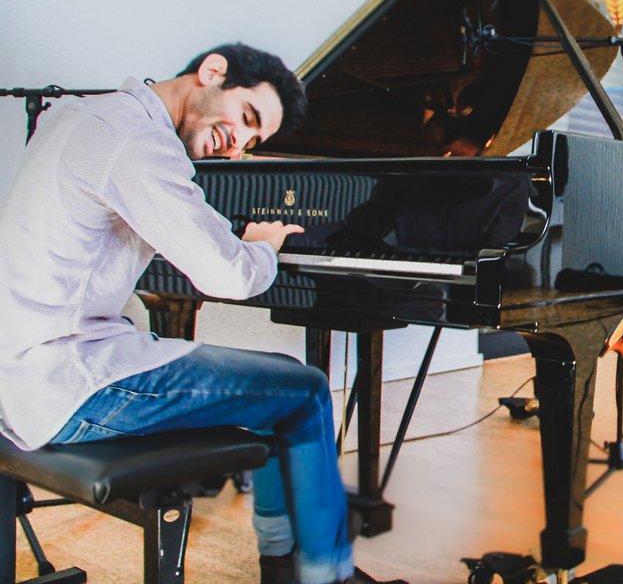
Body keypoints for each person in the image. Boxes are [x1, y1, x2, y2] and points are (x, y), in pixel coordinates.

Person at [0, 43, 405, 584]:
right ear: (213, 72)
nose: (237, 146)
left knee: (266, 389)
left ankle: (286, 560)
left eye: (254, 141)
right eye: (246, 118)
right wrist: (261, 246)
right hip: (69, 381)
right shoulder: (138, 142)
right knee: (304, 390)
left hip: (15, 375)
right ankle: (317, 573)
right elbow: (228, 276)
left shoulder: (79, 114)